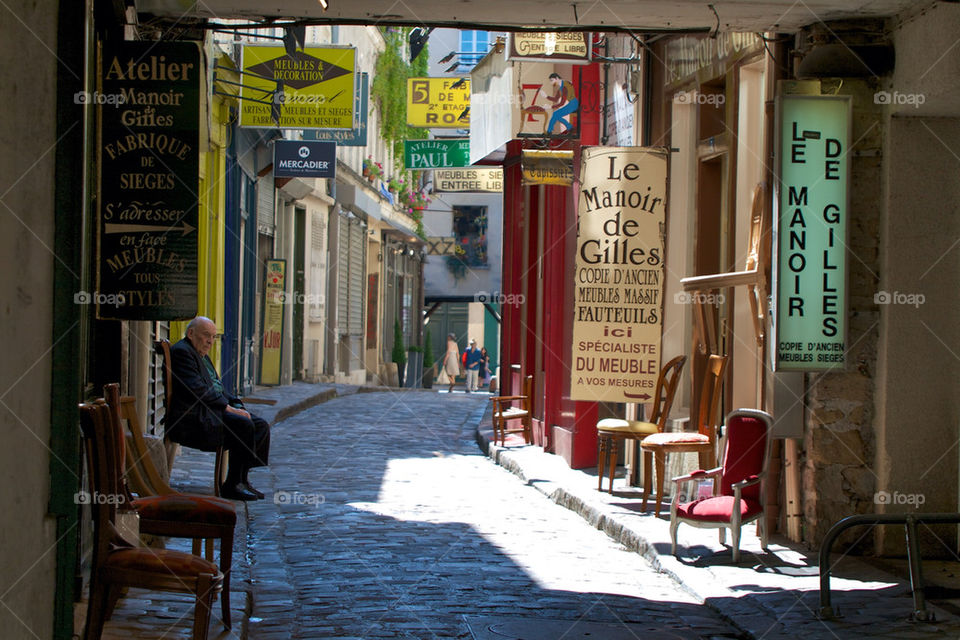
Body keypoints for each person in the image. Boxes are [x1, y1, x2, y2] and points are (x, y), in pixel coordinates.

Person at [166, 316, 271, 501]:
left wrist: (235, 403)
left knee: (260, 425)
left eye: (213, 337)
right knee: (243, 425)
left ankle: (242, 479)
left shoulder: (200, 355)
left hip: (211, 410)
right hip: (193, 418)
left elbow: (218, 387)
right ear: (191, 333)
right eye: (206, 335)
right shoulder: (183, 352)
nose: (210, 341)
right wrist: (229, 409)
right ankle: (231, 485)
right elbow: (197, 390)